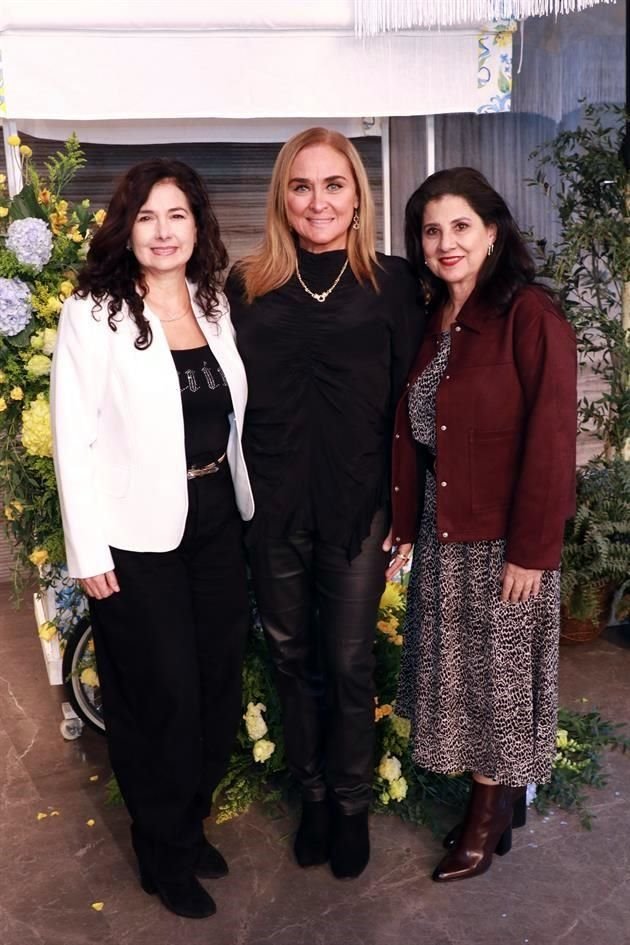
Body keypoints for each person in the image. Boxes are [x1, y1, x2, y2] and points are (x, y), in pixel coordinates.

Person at [50, 159, 254, 919]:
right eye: (146, 216)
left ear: (197, 224)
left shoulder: (213, 303)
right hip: (135, 535)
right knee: (158, 692)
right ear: (125, 227)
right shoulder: (92, 313)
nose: (163, 231)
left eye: (177, 215)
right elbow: (75, 438)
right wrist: (89, 550)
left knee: (215, 683)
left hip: (214, 518)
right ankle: (160, 847)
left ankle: (188, 820)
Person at [226, 127, 423, 879]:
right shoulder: (247, 284)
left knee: (345, 660)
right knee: (291, 655)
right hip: (270, 506)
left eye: (333, 184)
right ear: (282, 195)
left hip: (358, 504)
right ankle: (309, 794)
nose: (318, 201)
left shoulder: (394, 282)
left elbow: (411, 402)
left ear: (357, 194)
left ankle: (349, 802)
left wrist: (408, 512)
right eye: (302, 185)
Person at [387, 166, 577, 883]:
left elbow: (553, 440)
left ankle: (486, 818)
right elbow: (417, 432)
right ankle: (487, 804)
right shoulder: (433, 318)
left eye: (461, 226)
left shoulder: (530, 315)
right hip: (444, 526)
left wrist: (532, 549)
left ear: (493, 232)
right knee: (462, 675)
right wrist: (406, 523)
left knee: (497, 682)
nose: (445, 242)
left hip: (505, 538)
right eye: (432, 230)